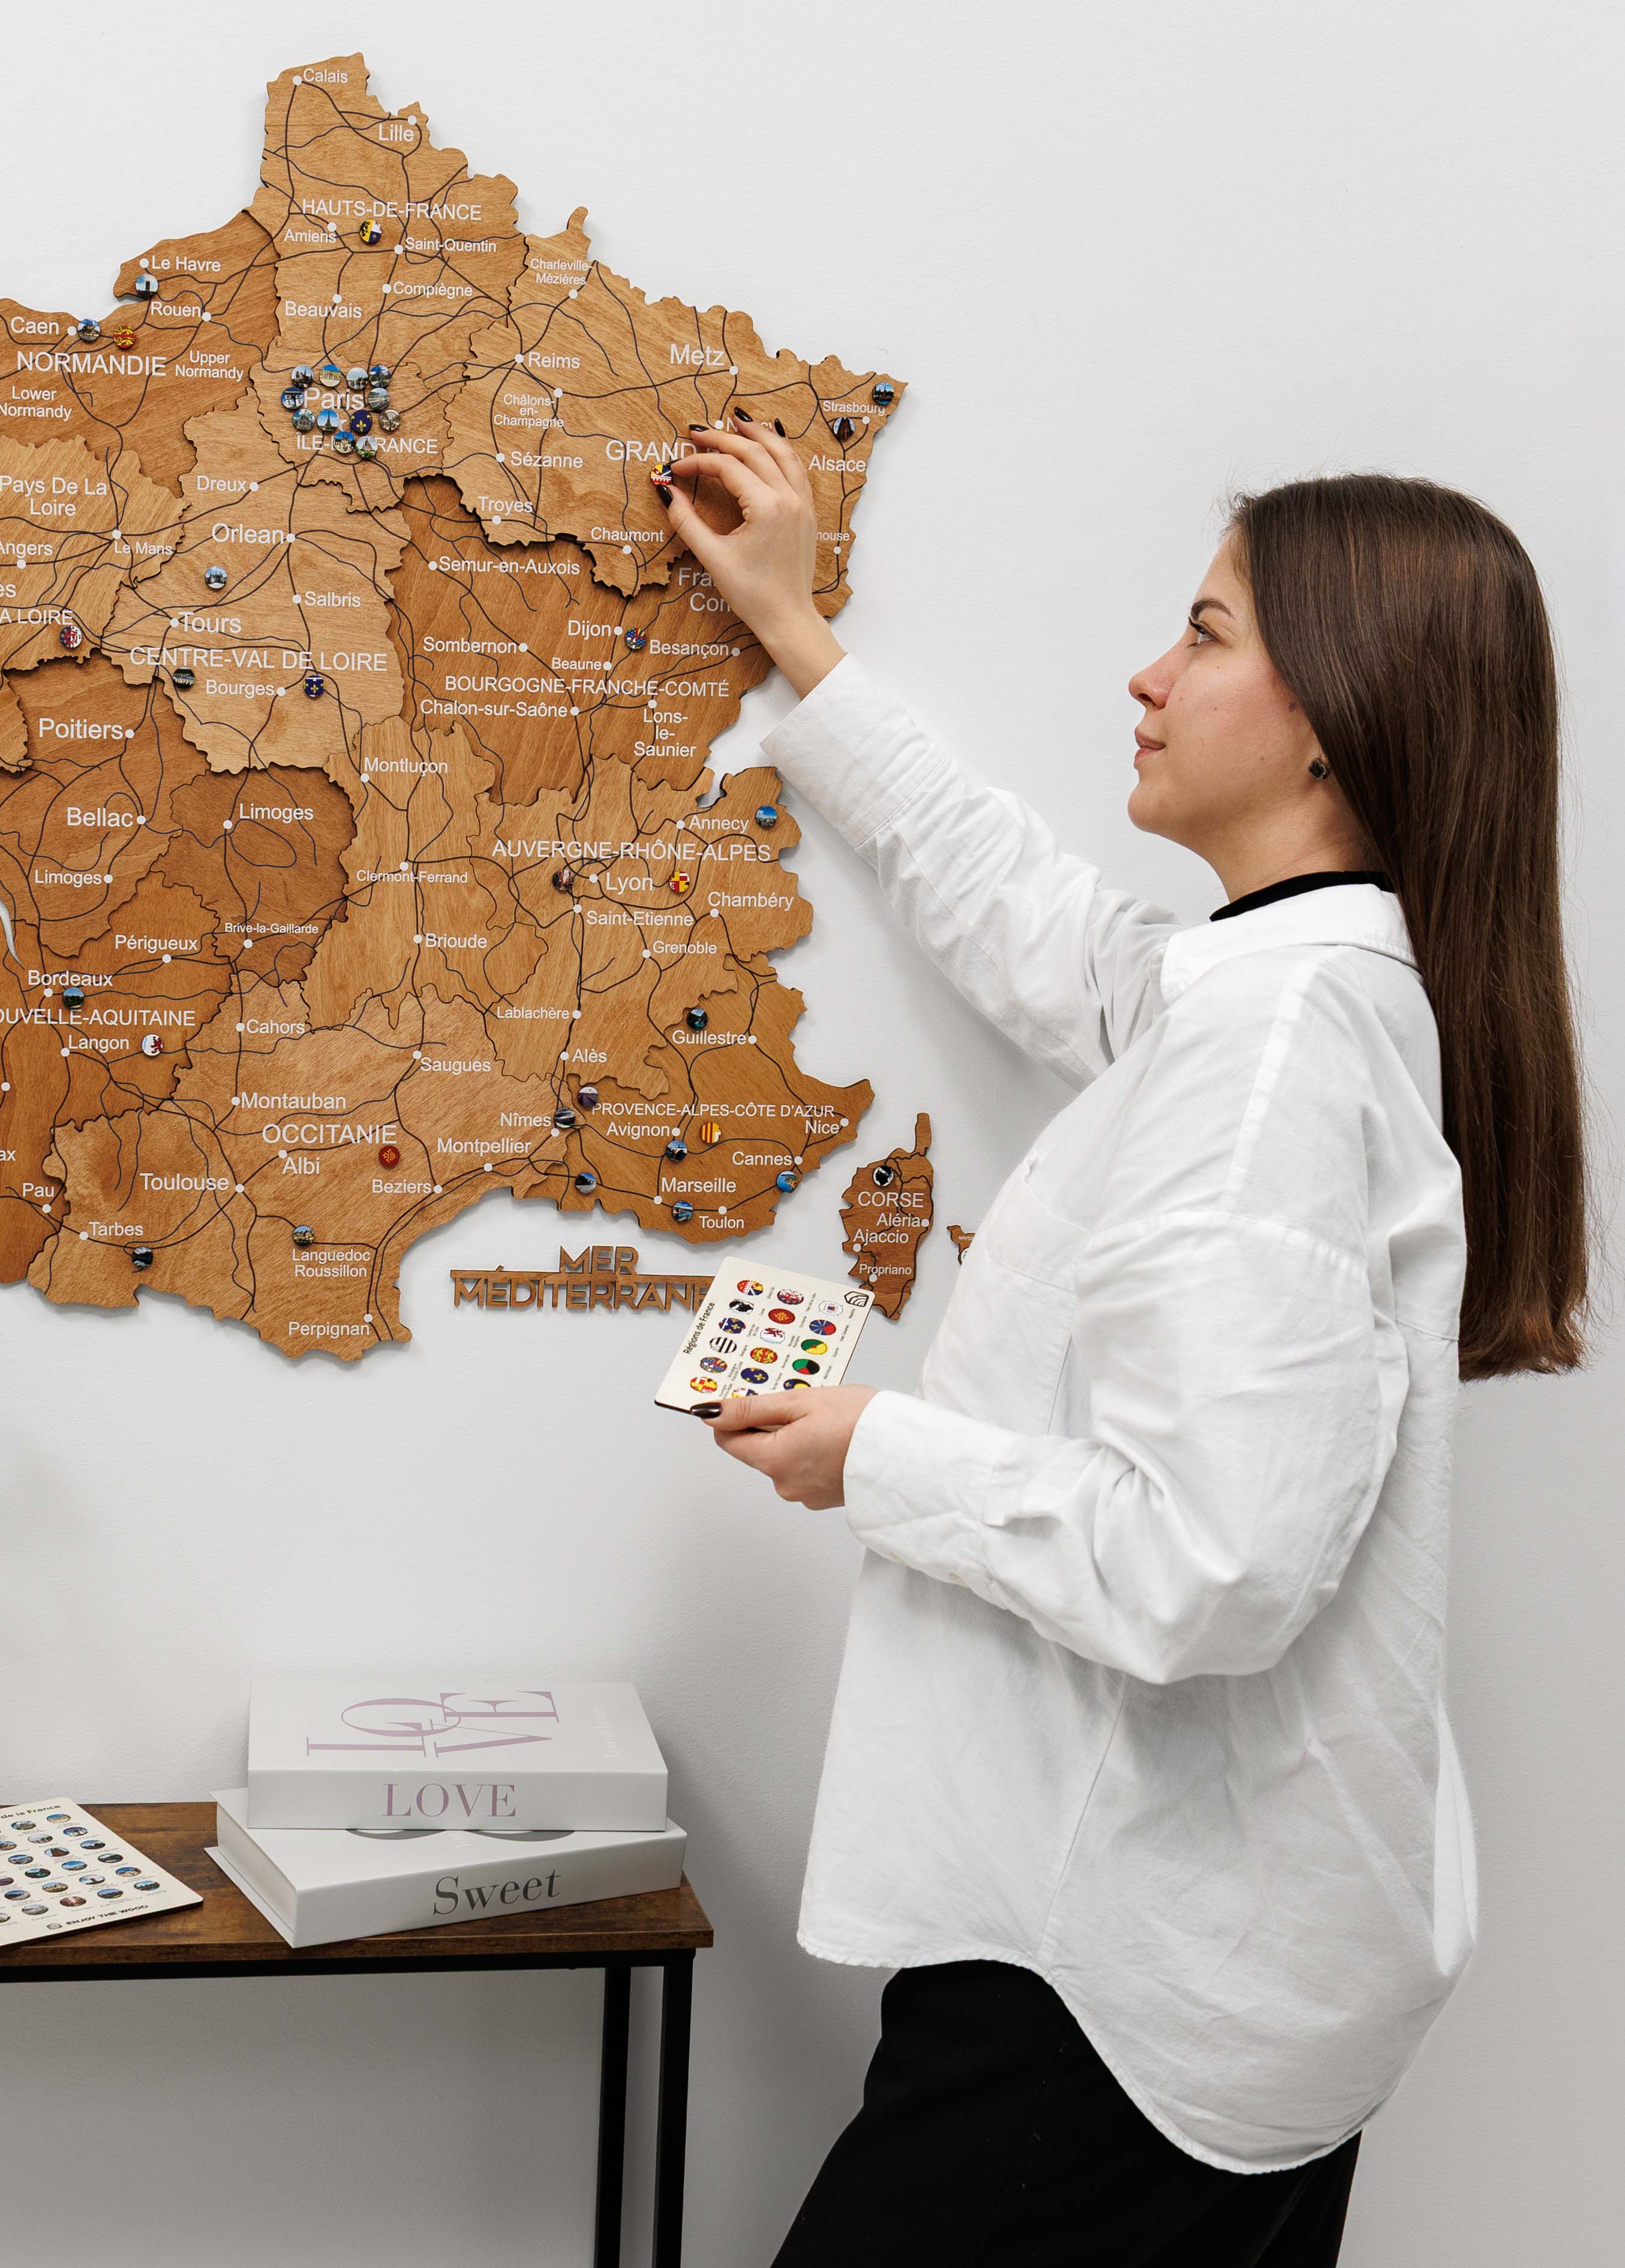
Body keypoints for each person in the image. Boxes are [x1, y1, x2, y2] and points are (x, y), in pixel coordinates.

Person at [658, 436, 1590, 2265]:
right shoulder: (1279, 995)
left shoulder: (1271, 1062)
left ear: (1330, 718)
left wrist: (876, 1453)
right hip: (1211, 1970)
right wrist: (793, 633)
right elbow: (1050, 938)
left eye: (1203, 631)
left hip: (1120, 2001)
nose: (1147, 676)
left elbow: (1210, 1562)